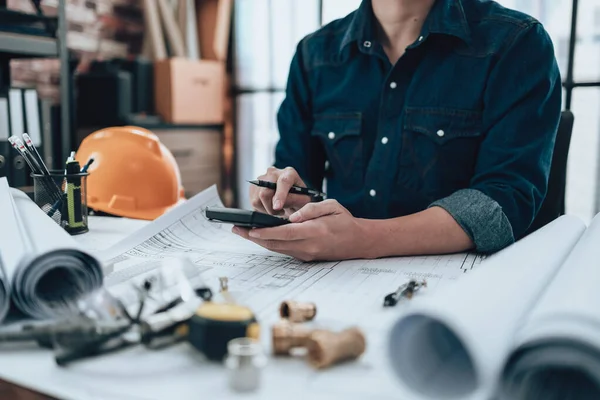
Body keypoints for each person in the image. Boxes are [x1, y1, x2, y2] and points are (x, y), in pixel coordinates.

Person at [233, 0, 562, 261]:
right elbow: (298, 171)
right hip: (334, 275)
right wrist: (283, 193)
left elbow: (501, 202)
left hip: (464, 282)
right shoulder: (314, 55)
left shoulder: (517, 43)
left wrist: (361, 238)